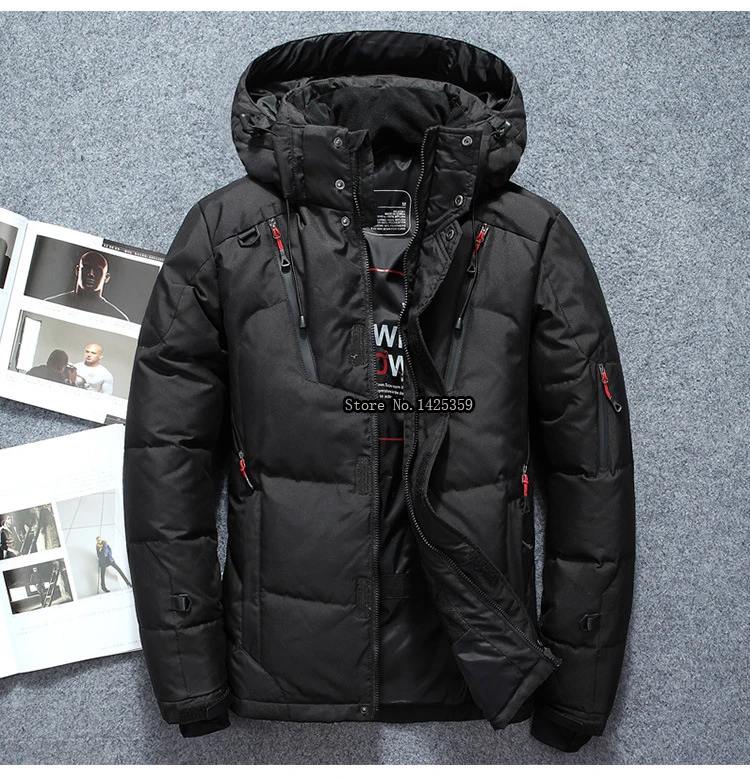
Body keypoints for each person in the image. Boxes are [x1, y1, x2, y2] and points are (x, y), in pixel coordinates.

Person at [45, 250, 129, 321]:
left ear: (106, 278)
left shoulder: (118, 319)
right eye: (86, 268)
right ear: (77, 270)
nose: (91, 274)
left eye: (97, 270)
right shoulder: (49, 305)